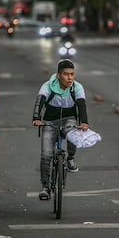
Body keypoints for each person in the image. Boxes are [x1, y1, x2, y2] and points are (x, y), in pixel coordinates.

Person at [32, 59, 89, 200]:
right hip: (50, 121)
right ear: (58, 75)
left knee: (73, 135)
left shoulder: (77, 87)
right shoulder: (48, 86)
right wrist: (36, 118)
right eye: (66, 74)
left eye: (72, 74)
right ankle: (45, 187)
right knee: (46, 155)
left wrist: (84, 122)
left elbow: (82, 105)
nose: (70, 78)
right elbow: (40, 101)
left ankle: (70, 158)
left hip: (69, 119)